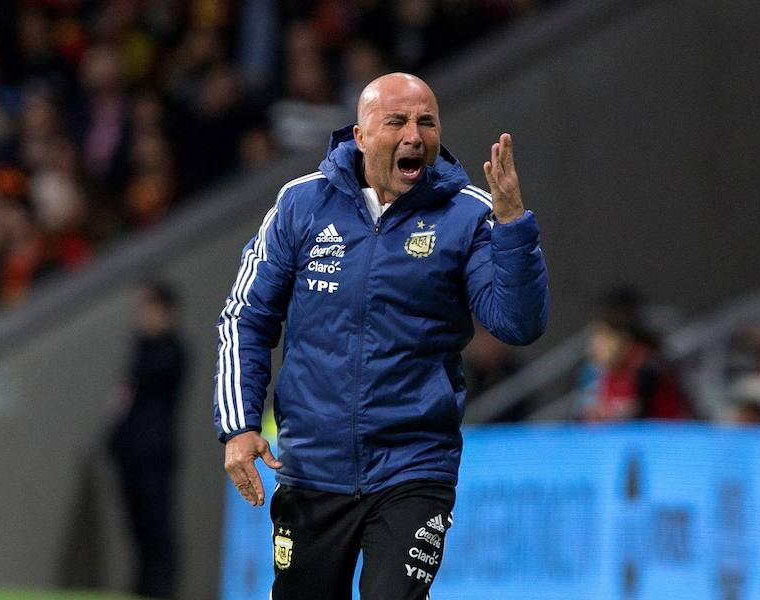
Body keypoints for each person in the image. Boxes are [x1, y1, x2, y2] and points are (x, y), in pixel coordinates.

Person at [214, 72, 549, 599]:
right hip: (311, 468)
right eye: (397, 121)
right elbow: (246, 317)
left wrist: (512, 230)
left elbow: (518, 323)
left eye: (426, 121)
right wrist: (238, 425)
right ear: (361, 135)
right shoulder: (302, 204)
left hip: (414, 468)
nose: (414, 135)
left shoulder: (468, 213)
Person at [109, 282, 187, 598]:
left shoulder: (170, 352)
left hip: (154, 454)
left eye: (149, 308)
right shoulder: (140, 348)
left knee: (157, 528)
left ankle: (160, 589)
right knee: (137, 528)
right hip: (130, 454)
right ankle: (142, 589)